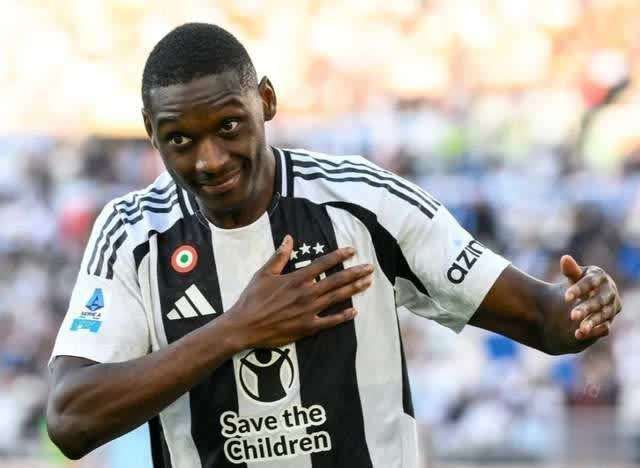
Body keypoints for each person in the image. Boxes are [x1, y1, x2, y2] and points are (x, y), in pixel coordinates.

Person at [46, 23, 623, 468]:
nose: (210, 160)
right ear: (151, 132)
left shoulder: (363, 201)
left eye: (228, 126)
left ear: (265, 101)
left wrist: (579, 309)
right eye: (179, 139)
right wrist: (237, 329)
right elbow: (71, 420)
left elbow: (542, 318)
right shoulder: (132, 234)